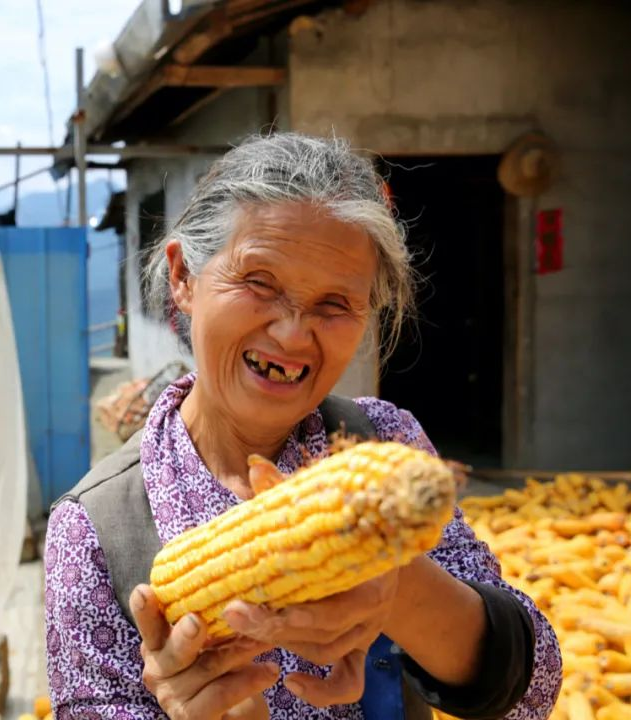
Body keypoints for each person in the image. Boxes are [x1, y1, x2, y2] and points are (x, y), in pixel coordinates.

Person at [43, 133, 561, 719]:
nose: (292, 335)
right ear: (184, 276)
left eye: (335, 304)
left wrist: (399, 590)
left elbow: (533, 691)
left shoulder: (385, 443)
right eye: (259, 283)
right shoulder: (95, 532)